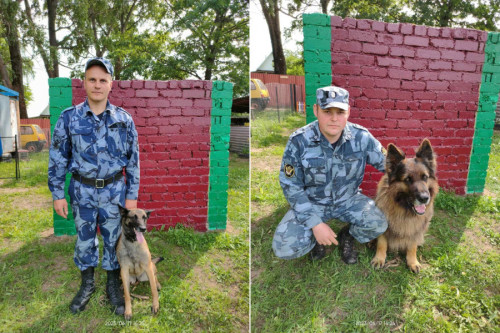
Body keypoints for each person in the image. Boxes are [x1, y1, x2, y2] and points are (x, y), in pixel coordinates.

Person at [48, 57, 140, 315]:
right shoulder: (69, 119)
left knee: (114, 239)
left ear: (111, 84)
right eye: (92, 80)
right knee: (85, 239)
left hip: (115, 193)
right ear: (84, 83)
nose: (97, 85)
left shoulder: (124, 120)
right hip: (82, 191)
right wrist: (57, 194)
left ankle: (113, 285)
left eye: (103, 80)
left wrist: (131, 196)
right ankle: (87, 283)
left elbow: (133, 162)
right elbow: (57, 158)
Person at [272, 86, 388, 264]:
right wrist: (315, 224)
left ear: (348, 112)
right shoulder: (299, 141)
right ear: (316, 110)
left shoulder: (362, 138)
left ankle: (347, 236)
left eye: (340, 111)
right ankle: (315, 240)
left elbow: (390, 166)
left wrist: (417, 171)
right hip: (313, 202)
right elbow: (291, 185)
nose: (334, 118)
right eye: (327, 111)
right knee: (284, 247)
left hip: (348, 200)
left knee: (379, 222)